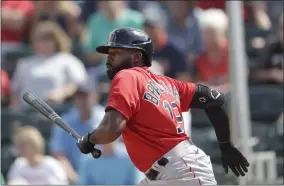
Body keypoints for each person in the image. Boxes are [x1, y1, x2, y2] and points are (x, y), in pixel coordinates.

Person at [76, 27, 250, 185]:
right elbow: (214, 99)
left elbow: (111, 128)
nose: (109, 57)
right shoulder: (168, 84)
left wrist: (90, 140)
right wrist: (225, 145)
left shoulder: (126, 76)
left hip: (179, 170)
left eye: (116, 51)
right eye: (109, 52)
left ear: (136, 56)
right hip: (168, 171)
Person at [10, 21, 87, 110]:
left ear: (56, 40)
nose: (43, 43)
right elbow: (15, 91)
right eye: (39, 39)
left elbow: (78, 82)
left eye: (47, 39)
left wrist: (61, 93)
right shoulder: (25, 63)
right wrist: (15, 111)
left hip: (55, 112)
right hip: (27, 111)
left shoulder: (67, 60)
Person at [49, 79, 105, 183]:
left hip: (104, 176)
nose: (82, 100)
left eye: (86, 96)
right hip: (73, 178)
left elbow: (117, 150)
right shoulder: (65, 122)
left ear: (95, 96)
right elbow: (59, 153)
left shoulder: (106, 118)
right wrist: (74, 177)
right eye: (79, 97)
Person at [78, 141, 144, 184]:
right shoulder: (88, 159)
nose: (106, 139)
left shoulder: (129, 156)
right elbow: (84, 183)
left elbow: (135, 182)